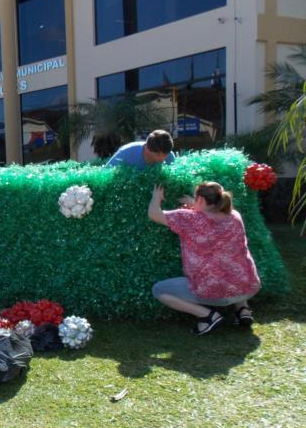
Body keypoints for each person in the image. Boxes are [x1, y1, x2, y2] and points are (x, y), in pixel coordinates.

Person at [148, 181, 260, 336]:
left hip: (213, 293)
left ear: (200, 200)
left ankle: (207, 316)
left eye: (196, 199)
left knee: (158, 290)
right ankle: (242, 310)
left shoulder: (188, 218)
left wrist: (156, 197)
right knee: (232, 263)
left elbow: (154, 214)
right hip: (247, 288)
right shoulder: (235, 216)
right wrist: (195, 205)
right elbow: (211, 214)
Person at [106, 129, 176, 169]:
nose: (162, 159)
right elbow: (106, 172)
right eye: (158, 155)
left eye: (165, 155)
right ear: (147, 149)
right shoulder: (125, 153)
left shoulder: (169, 156)